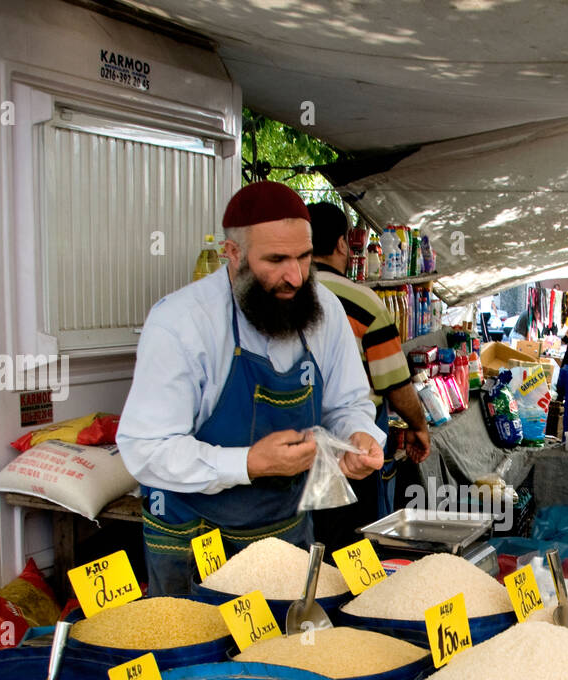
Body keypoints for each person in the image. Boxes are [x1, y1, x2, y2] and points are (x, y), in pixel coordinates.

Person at [117, 181, 384, 596]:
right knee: (199, 657)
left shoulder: (326, 311)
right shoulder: (182, 324)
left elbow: (347, 402)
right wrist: (247, 463)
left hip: (285, 531)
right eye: (276, 260)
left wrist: (356, 435)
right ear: (233, 254)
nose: (294, 277)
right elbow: (146, 449)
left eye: (304, 257)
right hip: (194, 541)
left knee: (284, 653)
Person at [307, 202, 432, 549]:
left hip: (296, 446)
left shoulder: (281, 295)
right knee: (352, 543)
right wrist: (418, 427)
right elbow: (394, 382)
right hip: (352, 446)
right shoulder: (363, 301)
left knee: (304, 547)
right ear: (343, 244)